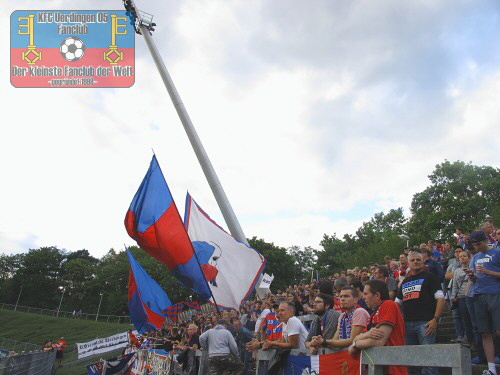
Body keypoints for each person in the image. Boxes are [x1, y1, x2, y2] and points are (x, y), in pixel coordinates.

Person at [395, 251, 445, 375]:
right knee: (411, 362)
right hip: (407, 325)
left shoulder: (430, 277)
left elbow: (441, 298)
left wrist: (435, 319)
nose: (416, 261)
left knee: (429, 361)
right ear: (408, 264)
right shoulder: (405, 282)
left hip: (426, 323)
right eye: (413, 260)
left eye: (418, 259)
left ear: (423, 262)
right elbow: (396, 304)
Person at [347, 279, 407, 375]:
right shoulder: (373, 314)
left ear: (377, 295)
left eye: (366, 294)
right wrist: (365, 336)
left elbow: (378, 341)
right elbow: (357, 337)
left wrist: (355, 345)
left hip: (393, 368)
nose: (363, 297)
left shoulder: (388, 305)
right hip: (380, 367)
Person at [469, 230, 500, 375]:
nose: (477, 246)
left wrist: (488, 272)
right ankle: (491, 368)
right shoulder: (475, 257)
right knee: (485, 332)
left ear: (485, 240)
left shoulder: (497, 252)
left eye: (479, 243)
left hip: (495, 293)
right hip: (479, 294)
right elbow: (476, 276)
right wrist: (472, 276)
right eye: (474, 244)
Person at [450, 251, 473, 346]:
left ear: (468, 257)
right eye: (460, 256)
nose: (462, 258)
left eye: (464, 256)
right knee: (465, 318)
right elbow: (455, 285)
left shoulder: (472, 268)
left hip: (471, 295)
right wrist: (453, 295)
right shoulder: (457, 271)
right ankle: (468, 338)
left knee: (473, 318)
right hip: (461, 296)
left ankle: (474, 340)